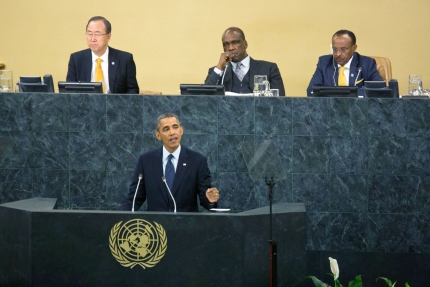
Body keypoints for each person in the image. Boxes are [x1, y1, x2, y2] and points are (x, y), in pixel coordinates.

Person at [120, 113, 220, 212]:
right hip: (155, 225)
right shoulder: (146, 160)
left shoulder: (197, 160)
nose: (172, 132)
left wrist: (210, 200)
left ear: (181, 130)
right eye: (166, 129)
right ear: (158, 135)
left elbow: (206, 197)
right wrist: (117, 218)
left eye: (175, 127)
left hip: (186, 225)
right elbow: (135, 198)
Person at [66, 16, 139, 94]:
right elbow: (70, 92)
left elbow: (132, 90)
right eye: (89, 34)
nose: (92, 39)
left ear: (108, 37)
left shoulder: (125, 59)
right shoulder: (77, 59)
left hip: (115, 105)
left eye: (97, 34)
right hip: (86, 105)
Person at [204, 27, 286, 97]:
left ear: (245, 44)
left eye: (235, 42)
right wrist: (219, 67)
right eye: (226, 44)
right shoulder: (218, 71)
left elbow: (280, 102)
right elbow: (204, 98)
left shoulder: (269, 69)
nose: (230, 48)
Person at [306, 29, 383, 97]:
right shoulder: (324, 63)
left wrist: (348, 94)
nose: (338, 54)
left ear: (354, 48)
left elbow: (379, 90)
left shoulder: (367, 64)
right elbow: (311, 91)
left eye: (343, 49)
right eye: (335, 49)